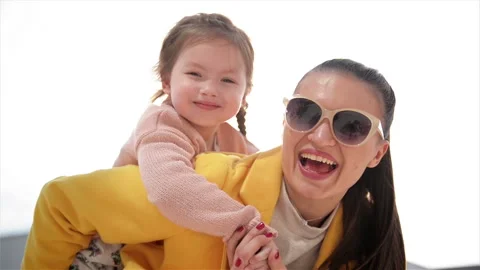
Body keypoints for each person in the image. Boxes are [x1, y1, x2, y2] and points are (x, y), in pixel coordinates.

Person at [22, 58, 406, 270]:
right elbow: (61, 203)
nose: (320, 137)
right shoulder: (206, 186)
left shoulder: (373, 239)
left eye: (351, 125)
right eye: (304, 112)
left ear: (377, 153)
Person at [71, 12, 275, 269]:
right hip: (113, 250)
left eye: (227, 80)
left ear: (245, 93)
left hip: (164, 245)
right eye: (195, 74)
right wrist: (246, 224)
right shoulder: (161, 124)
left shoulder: (231, 139)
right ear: (167, 81)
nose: (210, 88)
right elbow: (169, 188)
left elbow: (266, 170)